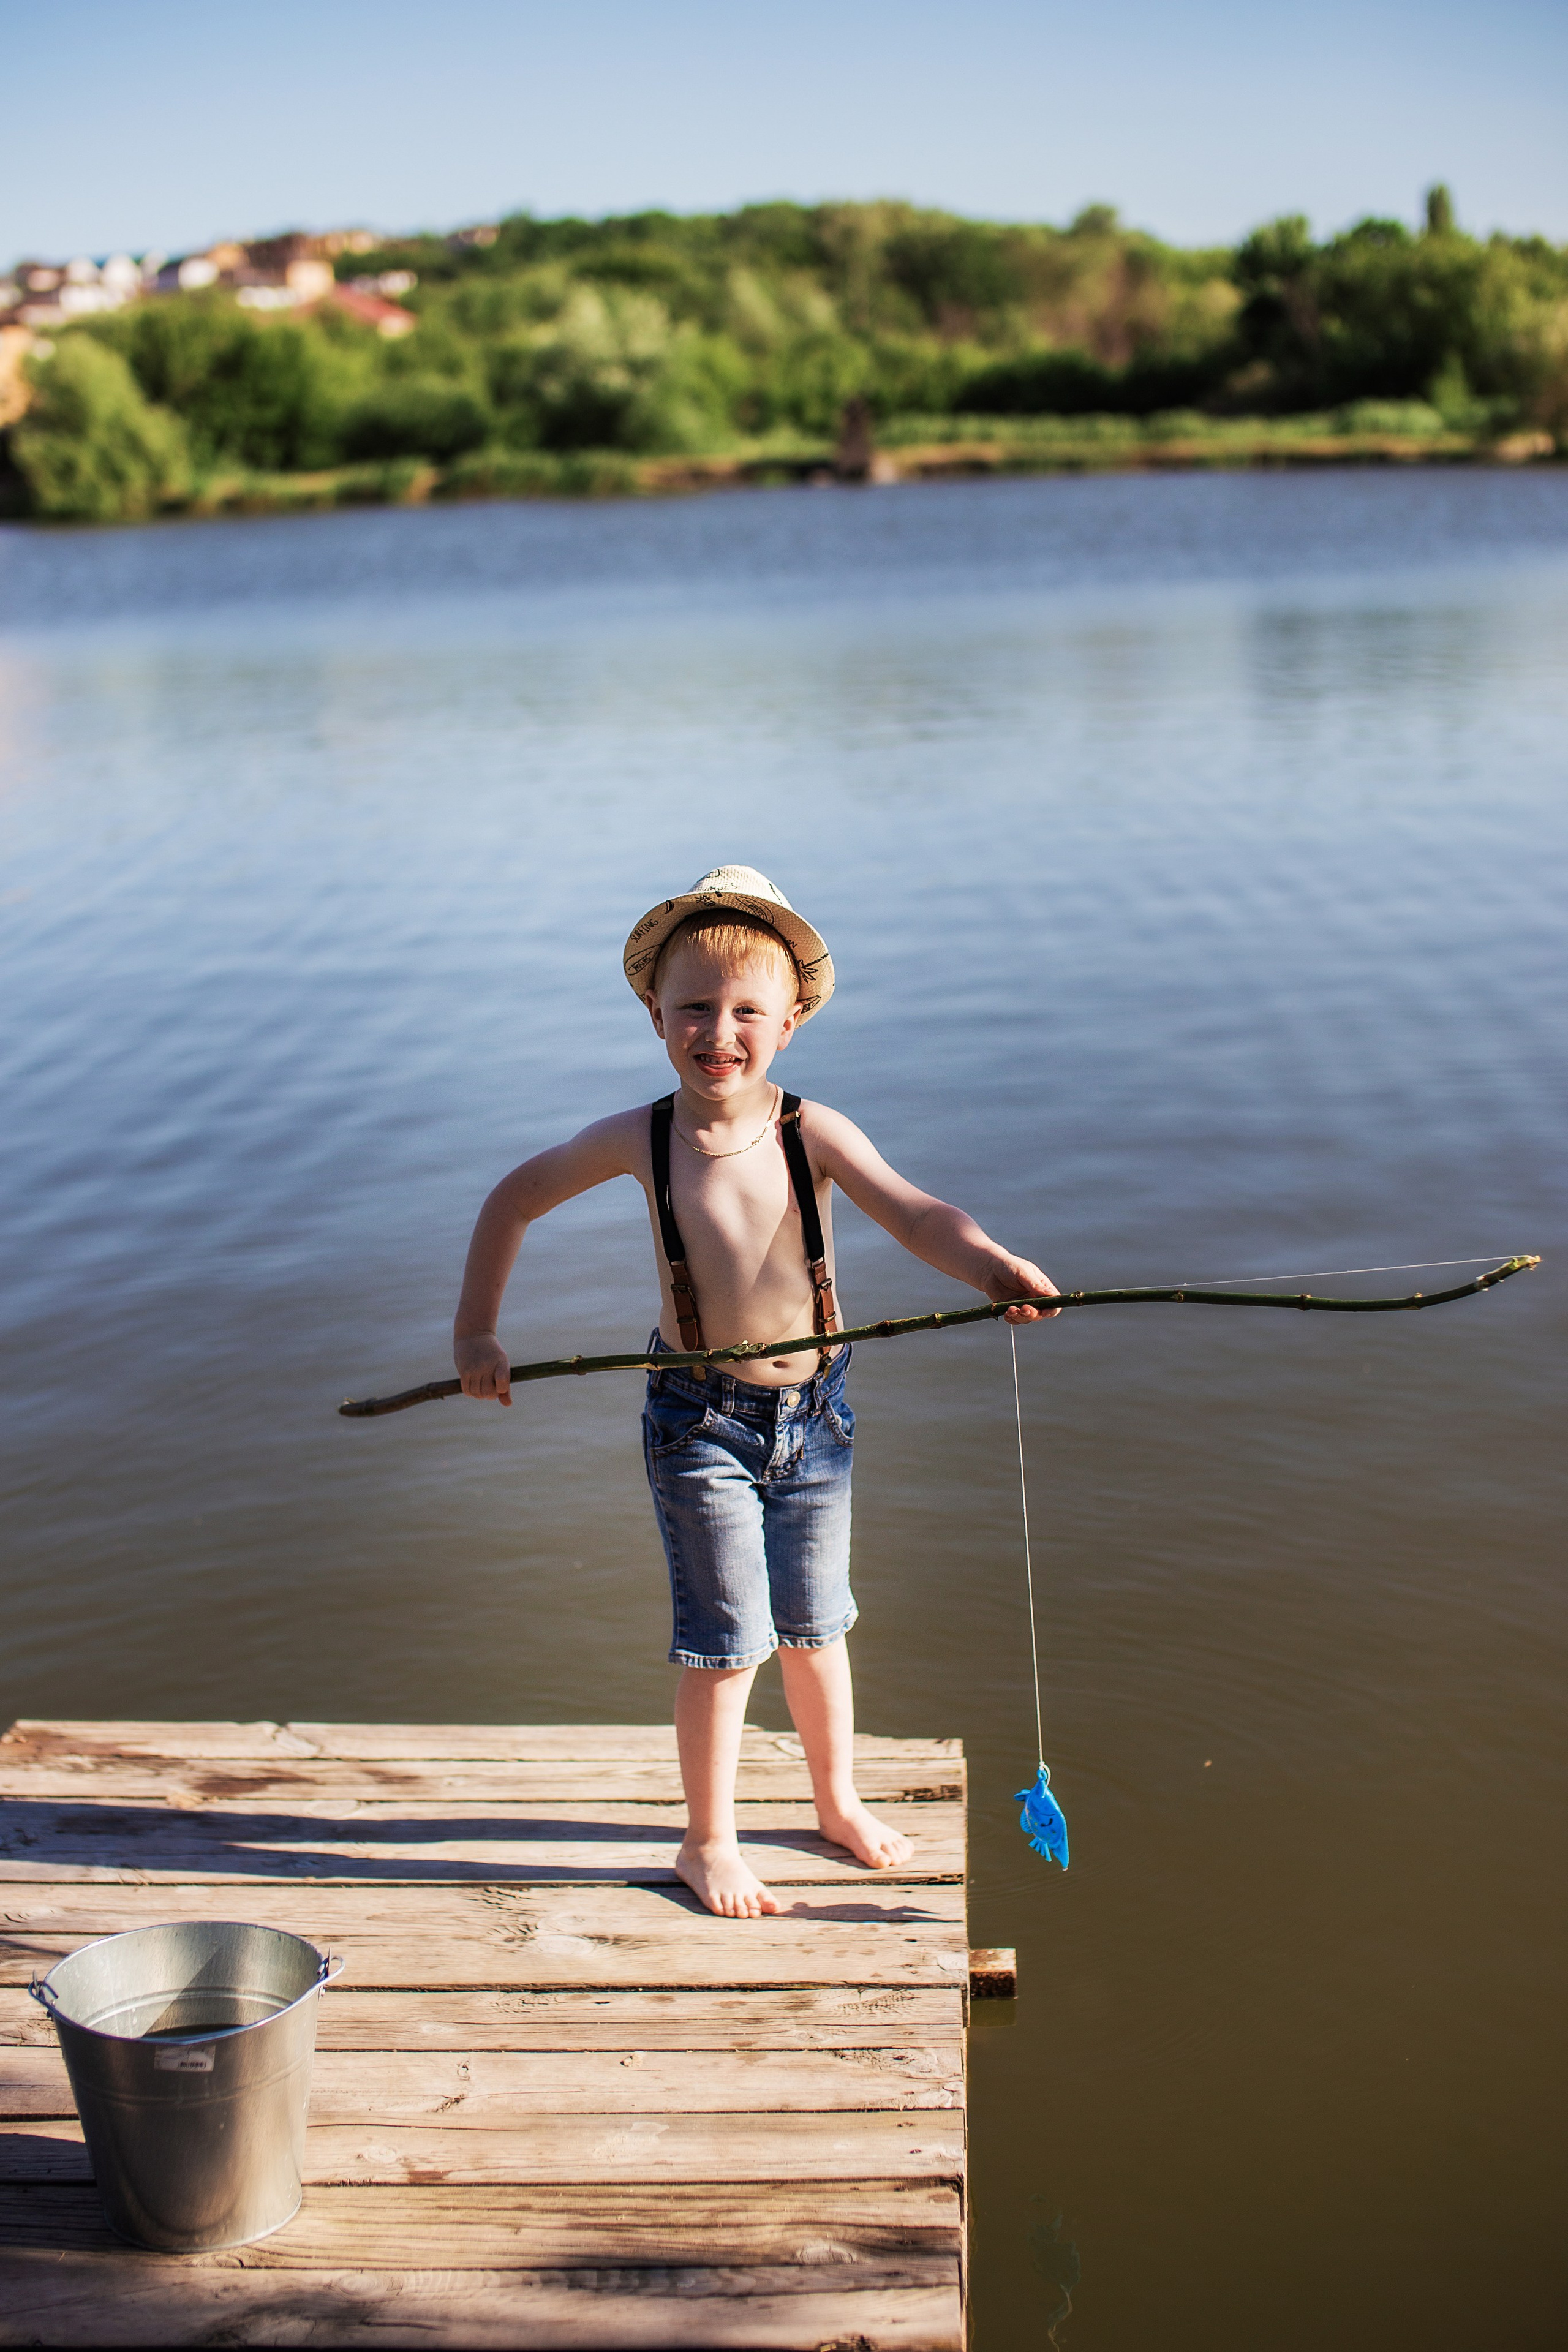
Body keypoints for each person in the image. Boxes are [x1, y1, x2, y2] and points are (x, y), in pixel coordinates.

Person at [454, 865, 1058, 1917]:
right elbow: (514, 1198)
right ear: (655, 1015)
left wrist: (993, 1266)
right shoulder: (639, 1140)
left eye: (746, 1012)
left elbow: (919, 1214)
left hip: (815, 1416)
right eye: (693, 1008)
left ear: (791, 1022)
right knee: (726, 1641)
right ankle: (709, 1841)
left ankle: (835, 1799)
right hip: (699, 1421)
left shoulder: (811, 1131)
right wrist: (477, 1331)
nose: (717, 1032)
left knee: (821, 1630)